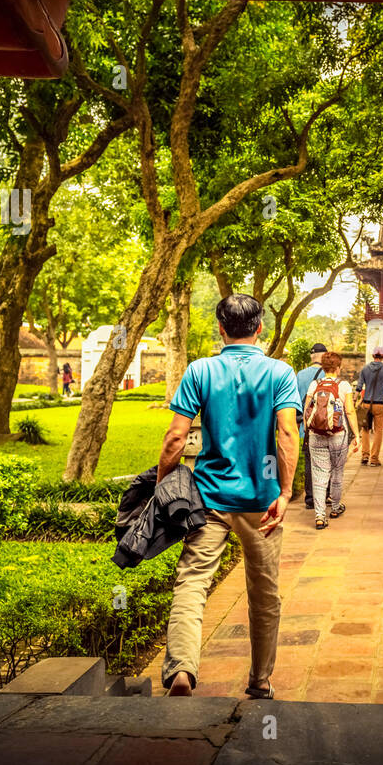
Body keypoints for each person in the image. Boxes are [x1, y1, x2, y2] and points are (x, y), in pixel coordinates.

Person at [157, 293, 300, 699]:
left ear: (221, 328)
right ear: (260, 329)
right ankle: (259, 680)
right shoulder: (279, 372)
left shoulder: (200, 370)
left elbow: (175, 438)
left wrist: (162, 485)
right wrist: (287, 492)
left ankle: (182, 670)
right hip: (263, 503)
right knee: (265, 592)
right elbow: (288, 433)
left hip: (210, 498)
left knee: (192, 583)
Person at [303, 351, 359, 529]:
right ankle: (335, 507)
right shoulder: (344, 386)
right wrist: (356, 434)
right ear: (338, 367)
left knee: (319, 476)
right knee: (336, 472)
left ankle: (320, 516)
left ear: (324, 367)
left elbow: (307, 409)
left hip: (315, 435)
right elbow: (349, 411)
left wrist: (308, 430)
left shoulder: (315, 384)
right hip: (338, 435)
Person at [293, 343, 328, 509]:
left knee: (309, 462)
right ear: (325, 356)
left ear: (311, 357)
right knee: (325, 462)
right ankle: (324, 494)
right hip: (325, 425)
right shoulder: (329, 375)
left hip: (306, 427)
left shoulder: (300, 375)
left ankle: (310, 498)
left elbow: (296, 400)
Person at [358, 346, 383, 466]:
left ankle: (365, 456)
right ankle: (374, 459)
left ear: (373, 356)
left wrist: (354, 400)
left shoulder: (365, 369)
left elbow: (359, 386)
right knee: (378, 430)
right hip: (379, 404)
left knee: (365, 430)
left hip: (366, 403)